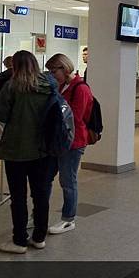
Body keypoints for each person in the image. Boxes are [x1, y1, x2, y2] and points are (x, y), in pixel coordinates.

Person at [0, 50, 54, 254]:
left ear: (15, 66)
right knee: (41, 194)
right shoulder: (49, 85)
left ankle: (19, 240)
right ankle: (39, 237)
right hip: (44, 149)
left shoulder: (11, 87)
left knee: (18, 196)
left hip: (16, 149)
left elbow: (2, 114)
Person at [44, 53, 93, 234]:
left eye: (53, 70)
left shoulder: (80, 88)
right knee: (46, 178)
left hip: (73, 142)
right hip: (58, 141)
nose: (51, 74)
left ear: (64, 69)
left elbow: (75, 117)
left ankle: (68, 218)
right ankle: (39, 215)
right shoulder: (63, 86)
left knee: (67, 181)